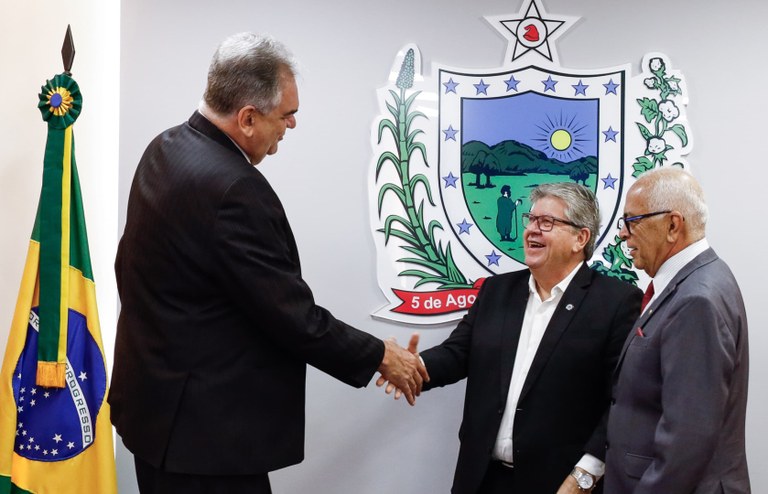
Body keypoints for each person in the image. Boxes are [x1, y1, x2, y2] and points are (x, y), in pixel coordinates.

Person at [108, 32, 427, 494]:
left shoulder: (166, 147)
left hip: (156, 417)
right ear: (248, 118)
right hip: (205, 444)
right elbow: (292, 316)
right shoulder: (235, 190)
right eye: (286, 114)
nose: (291, 125)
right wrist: (379, 356)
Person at [383, 182, 642, 493]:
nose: (532, 230)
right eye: (530, 219)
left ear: (580, 238)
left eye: (547, 222)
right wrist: (412, 365)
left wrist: (585, 475)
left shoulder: (616, 302)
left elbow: (623, 400)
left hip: (561, 484)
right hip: (481, 480)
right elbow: (457, 353)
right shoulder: (497, 291)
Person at [605, 167, 750, 493]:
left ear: (672, 225)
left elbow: (687, 439)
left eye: (632, 221)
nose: (623, 234)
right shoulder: (700, 279)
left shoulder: (696, 299)